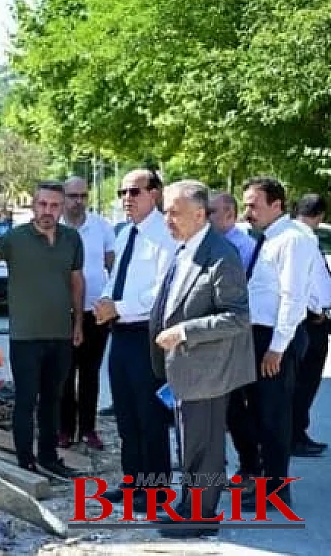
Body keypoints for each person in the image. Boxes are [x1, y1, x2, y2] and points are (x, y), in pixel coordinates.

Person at [149, 180, 255, 538]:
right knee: (190, 442)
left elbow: (237, 316)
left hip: (208, 371)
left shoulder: (221, 254)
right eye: (166, 211)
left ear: (199, 213)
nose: (168, 219)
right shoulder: (185, 249)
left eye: (174, 212)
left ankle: (201, 515)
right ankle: (187, 505)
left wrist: (185, 331)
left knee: (205, 446)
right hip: (185, 369)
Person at [0, 181, 85, 478]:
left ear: (62, 208)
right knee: (26, 400)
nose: (47, 211)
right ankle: (26, 462)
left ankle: (49, 457)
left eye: (54, 205)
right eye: (42, 204)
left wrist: (78, 323)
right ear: (33, 205)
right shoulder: (16, 238)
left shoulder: (72, 239)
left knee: (54, 399)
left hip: (60, 334)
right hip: (25, 336)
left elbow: (76, 282)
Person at [227, 176, 318, 507]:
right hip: (257, 335)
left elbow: (293, 298)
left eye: (254, 204)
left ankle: (277, 492)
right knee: (256, 414)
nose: (248, 212)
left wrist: (277, 348)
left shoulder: (292, 240)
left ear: (277, 205)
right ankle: (262, 480)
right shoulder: (269, 238)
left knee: (274, 417)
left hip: (276, 337)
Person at [93, 169, 178, 508]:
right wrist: (105, 302)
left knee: (150, 416)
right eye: (122, 192)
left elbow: (163, 291)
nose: (127, 198)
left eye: (135, 192)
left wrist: (119, 306)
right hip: (121, 333)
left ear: (155, 193)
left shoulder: (166, 235)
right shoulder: (126, 233)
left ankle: (156, 490)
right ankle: (133, 483)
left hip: (148, 333)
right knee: (126, 413)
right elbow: (117, 277)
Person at [59, 176, 116, 451]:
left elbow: (112, 267)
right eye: (72, 196)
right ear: (64, 197)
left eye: (82, 195)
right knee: (64, 373)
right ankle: (65, 430)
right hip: (62, 311)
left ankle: (88, 429)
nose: (77, 201)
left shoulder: (102, 227)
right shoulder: (53, 227)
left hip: (95, 311)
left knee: (90, 372)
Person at [291, 194, 331, 458]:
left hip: (306, 317)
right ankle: (295, 435)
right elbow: (307, 283)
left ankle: (297, 432)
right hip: (309, 320)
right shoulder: (304, 238)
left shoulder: (295, 235)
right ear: (320, 216)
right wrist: (316, 311)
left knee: (301, 380)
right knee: (305, 380)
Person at [209, 191, 257, 271]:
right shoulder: (207, 241)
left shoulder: (245, 246)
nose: (206, 216)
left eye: (212, 211)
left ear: (229, 214)